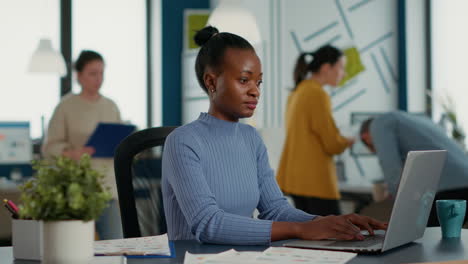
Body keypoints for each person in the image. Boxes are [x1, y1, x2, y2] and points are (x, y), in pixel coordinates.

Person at [161, 26, 386, 246]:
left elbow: (275, 209)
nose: (255, 90)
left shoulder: (251, 138)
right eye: (243, 80)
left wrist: (327, 222)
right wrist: (302, 229)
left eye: (258, 82)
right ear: (211, 81)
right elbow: (207, 224)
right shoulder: (183, 142)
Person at [42, 50, 123, 239]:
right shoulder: (65, 107)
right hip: (76, 190)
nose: (99, 79)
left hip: (108, 190)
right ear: (79, 76)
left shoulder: (111, 106)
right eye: (93, 73)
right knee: (75, 247)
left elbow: (120, 142)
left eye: (102, 73)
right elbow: (49, 148)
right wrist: (73, 153)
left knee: (115, 245)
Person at [276, 45, 354, 216]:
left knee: (310, 236)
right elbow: (331, 144)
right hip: (315, 181)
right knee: (336, 235)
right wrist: (347, 141)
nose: (344, 74)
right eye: (341, 67)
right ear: (327, 67)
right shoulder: (317, 94)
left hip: (295, 179)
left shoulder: (298, 91)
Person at [360, 111, 468, 226]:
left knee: (428, 239)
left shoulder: (378, 124)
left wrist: (399, 202)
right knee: (450, 238)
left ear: (365, 137)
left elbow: (391, 167)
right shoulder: (419, 120)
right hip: (462, 180)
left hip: (447, 188)